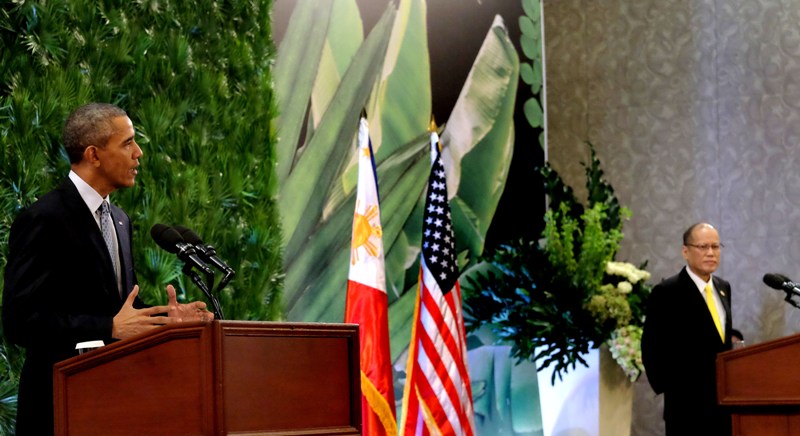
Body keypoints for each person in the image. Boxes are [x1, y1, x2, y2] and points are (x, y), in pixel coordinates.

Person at [2, 103, 214, 435]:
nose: (139, 153)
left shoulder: (119, 219)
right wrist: (107, 326)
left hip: (113, 405)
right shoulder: (43, 218)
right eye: (128, 143)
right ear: (93, 154)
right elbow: (19, 322)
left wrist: (165, 321)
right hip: (57, 408)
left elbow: (120, 311)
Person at [642, 222, 732, 436]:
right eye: (703, 247)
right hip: (687, 408)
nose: (711, 253)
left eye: (716, 247)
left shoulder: (723, 287)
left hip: (724, 404)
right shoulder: (668, 291)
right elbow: (651, 347)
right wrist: (673, 388)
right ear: (685, 251)